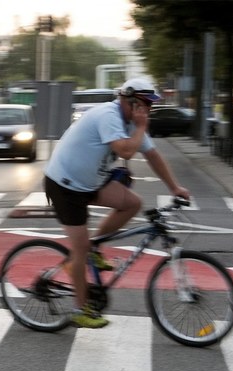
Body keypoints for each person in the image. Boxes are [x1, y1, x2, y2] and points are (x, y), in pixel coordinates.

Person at [41, 78, 191, 330]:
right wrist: (141, 126)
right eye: (145, 105)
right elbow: (125, 151)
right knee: (78, 250)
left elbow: (152, 154)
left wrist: (174, 188)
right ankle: (81, 309)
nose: (148, 111)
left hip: (90, 182)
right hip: (64, 185)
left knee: (132, 203)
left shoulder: (131, 122)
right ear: (130, 102)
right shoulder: (108, 115)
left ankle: (93, 250)